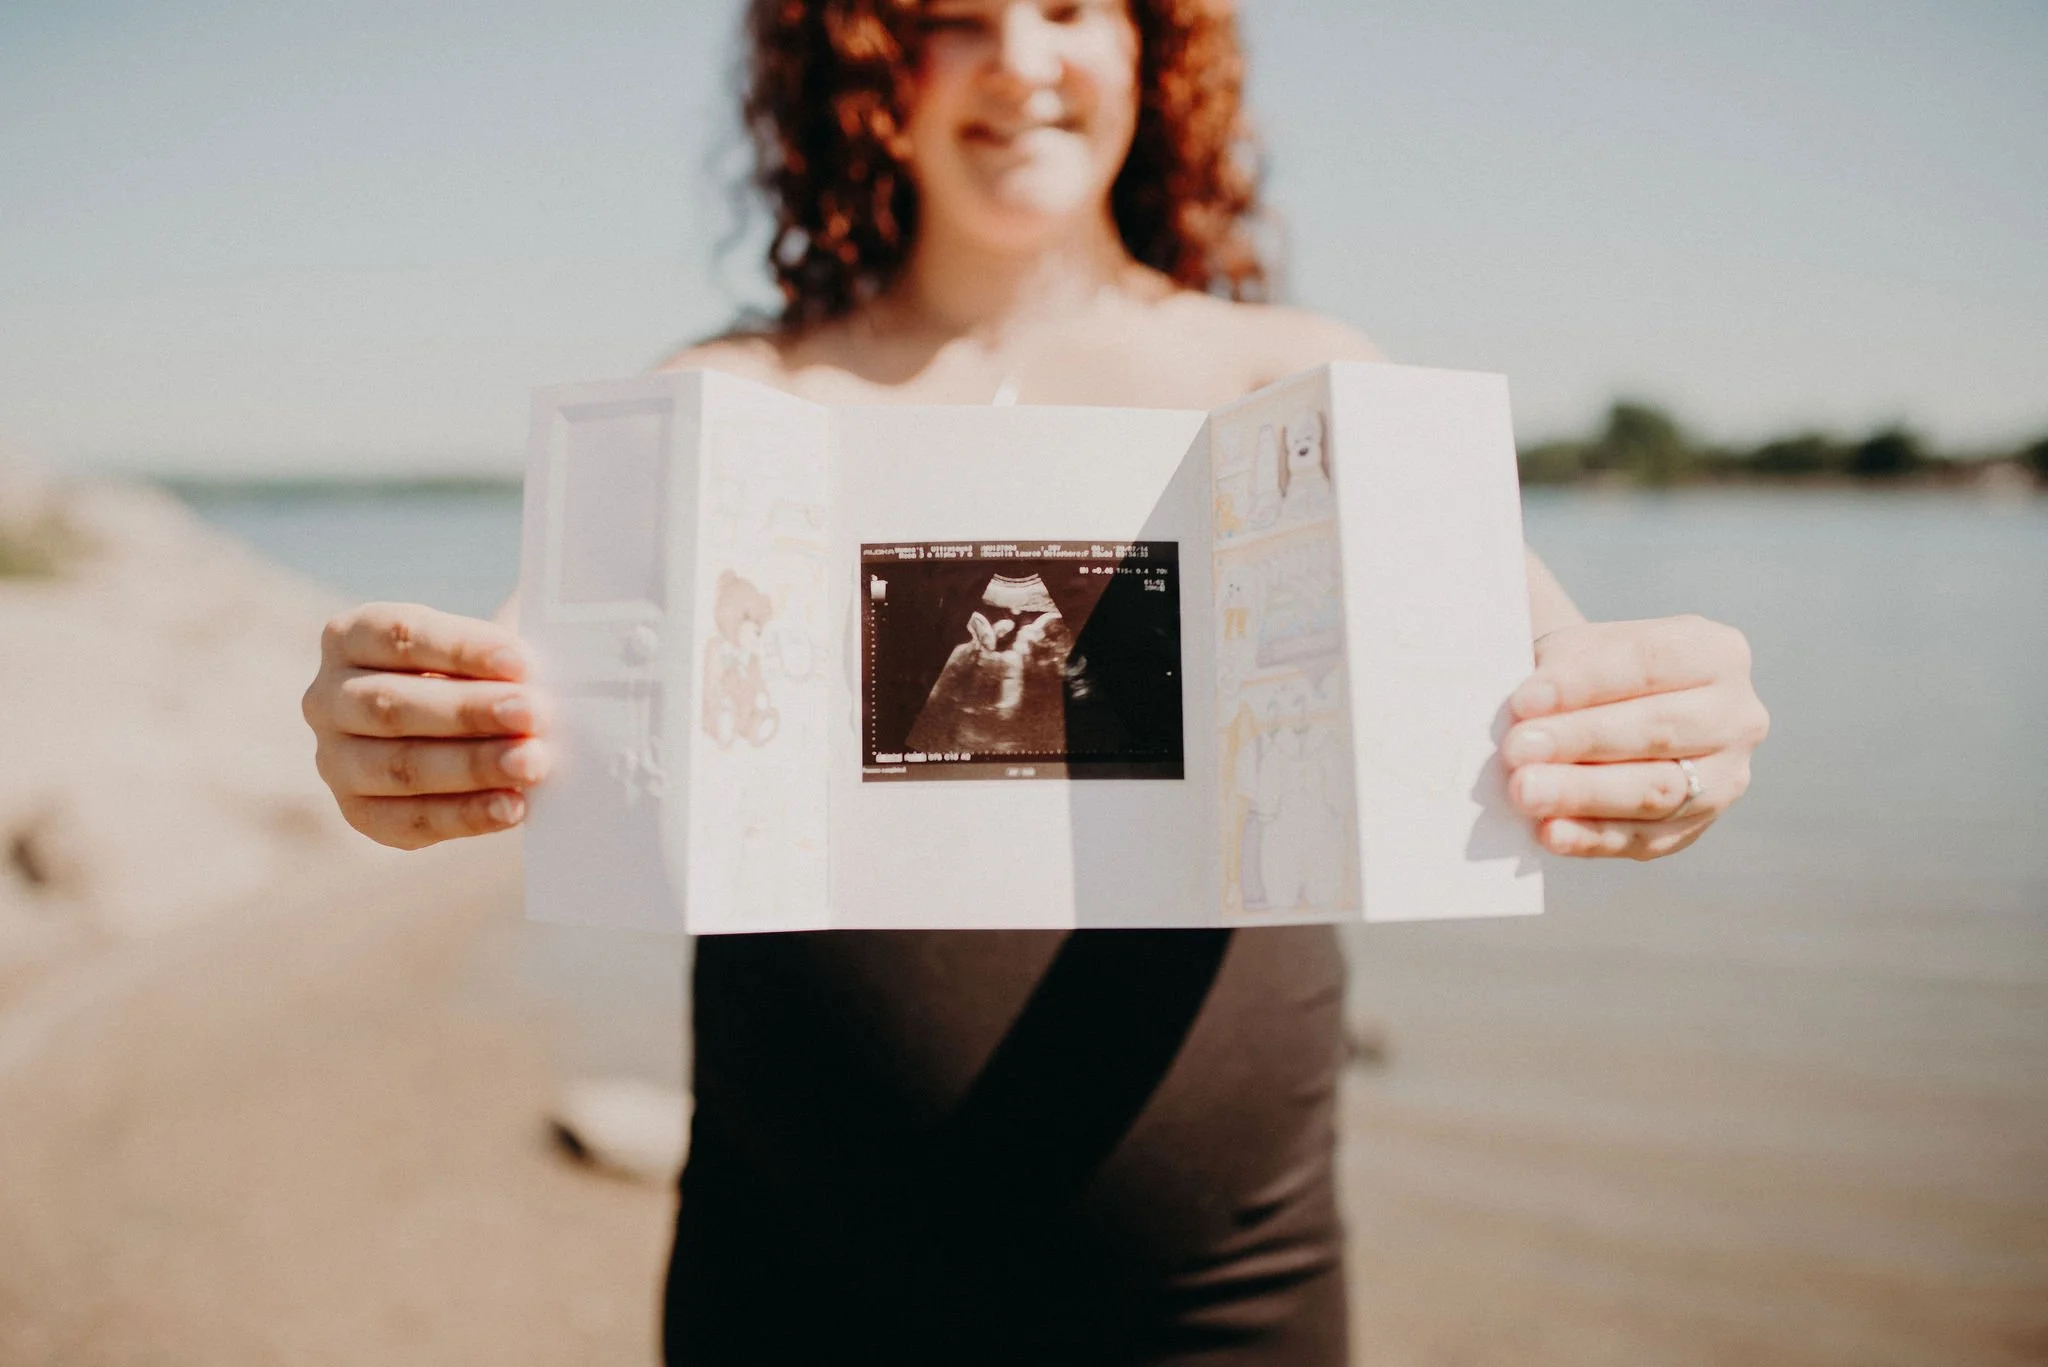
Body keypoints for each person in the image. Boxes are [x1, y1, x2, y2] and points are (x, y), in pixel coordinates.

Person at [300, 2, 1769, 1361]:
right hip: (789, 1277)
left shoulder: (1295, 384)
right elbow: (507, 691)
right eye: (949, 16)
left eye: (1070, 4)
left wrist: (1653, 738)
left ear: (1152, 51)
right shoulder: (738, 400)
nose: (1017, 52)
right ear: (866, 65)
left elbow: (1551, 672)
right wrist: (404, 734)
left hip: (1226, 1291)